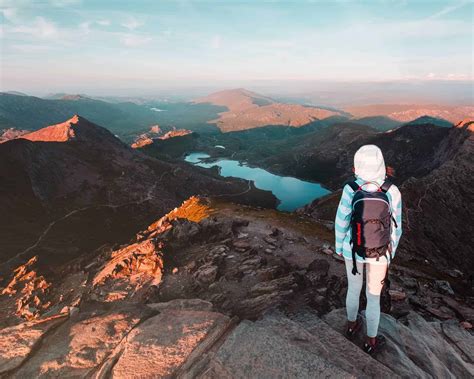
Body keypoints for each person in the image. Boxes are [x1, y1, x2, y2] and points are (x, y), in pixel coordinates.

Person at [335, 144, 402, 355]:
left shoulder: (351, 189)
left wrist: (339, 246)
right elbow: (396, 226)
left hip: (352, 251)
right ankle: (371, 340)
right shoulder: (392, 191)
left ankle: (352, 325)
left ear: (357, 166)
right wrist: (390, 252)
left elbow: (341, 220)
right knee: (373, 296)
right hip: (381, 253)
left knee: (354, 289)